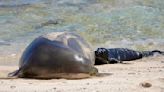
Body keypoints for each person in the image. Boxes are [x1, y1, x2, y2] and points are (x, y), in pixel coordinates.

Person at [95, 48, 164, 65]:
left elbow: (116, 61)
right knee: (145, 54)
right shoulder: (94, 58)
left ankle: (157, 52)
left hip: (123, 52)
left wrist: (119, 61)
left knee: (143, 54)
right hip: (118, 52)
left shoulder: (109, 59)